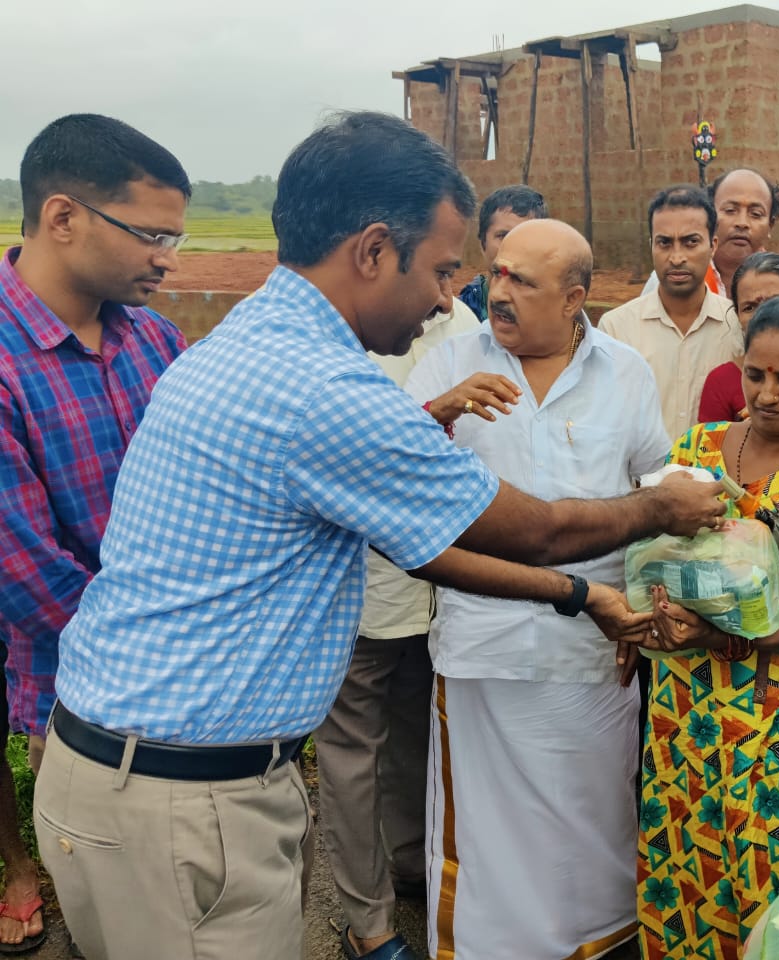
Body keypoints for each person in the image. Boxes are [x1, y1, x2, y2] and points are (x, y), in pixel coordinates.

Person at [32, 111, 725, 960]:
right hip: (183, 802)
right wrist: (658, 510)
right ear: (370, 252)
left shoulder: (251, 340)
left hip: (145, 775)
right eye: (441, 270)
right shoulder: (325, 389)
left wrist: (583, 595)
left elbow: (422, 543)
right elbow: (538, 531)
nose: (450, 298)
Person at [404, 218, 669, 960]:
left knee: (592, 833)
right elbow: (393, 479)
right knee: (487, 852)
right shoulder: (448, 362)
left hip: (595, 651)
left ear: (575, 296)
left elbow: (652, 498)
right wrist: (445, 409)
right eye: (497, 272)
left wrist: (645, 614)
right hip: (483, 652)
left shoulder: (627, 372)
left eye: (523, 279)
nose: (500, 290)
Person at [0, 113, 191, 953]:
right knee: (103, 884)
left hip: (160, 656)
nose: (168, 258)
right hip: (77, 666)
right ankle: (22, 871)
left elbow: (202, 493)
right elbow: (25, 570)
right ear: (63, 217)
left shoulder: (154, 338)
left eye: (175, 237)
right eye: (150, 234)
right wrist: (167, 654)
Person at [636, 295, 779, 959]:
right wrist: (655, 611)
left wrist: (719, 637)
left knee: (778, 865)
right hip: (685, 707)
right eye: (756, 375)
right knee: (686, 860)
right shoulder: (695, 450)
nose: (768, 394)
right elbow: (657, 553)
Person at [311, 296, 480, 958]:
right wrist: (435, 414)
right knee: (352, 752)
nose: (446, 285)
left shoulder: (463, 329)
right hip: (361, 593)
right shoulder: (340, 337)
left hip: (439, 595)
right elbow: (354, 454)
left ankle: (412, 863)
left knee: (417, 732)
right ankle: (369, 921)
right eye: (435, 266)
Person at [601, 184, 739, 440]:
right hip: (640, 480)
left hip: (714, 478)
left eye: (690, 242)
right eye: (665, 243)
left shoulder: (737, 326)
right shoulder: (616, 329)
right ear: (651, 245)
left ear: (713, 246)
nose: (677, 257)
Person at [698, 252, 779, 424]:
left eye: (776, 303)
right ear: (737, 315)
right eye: (749, 307)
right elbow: (708, 448)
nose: (763, 316)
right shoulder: (722, 382)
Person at [640, 167, 779, 298]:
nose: (742, 223)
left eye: (756, 214)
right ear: (710, 217)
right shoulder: (670, 278)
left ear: (770, 225)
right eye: (730, 210)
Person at [455, 184, 547, 321]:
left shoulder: (557, 314)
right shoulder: (461, 317)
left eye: (526, 236)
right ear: (483, 243)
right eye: (503, 236)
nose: (514, 246)